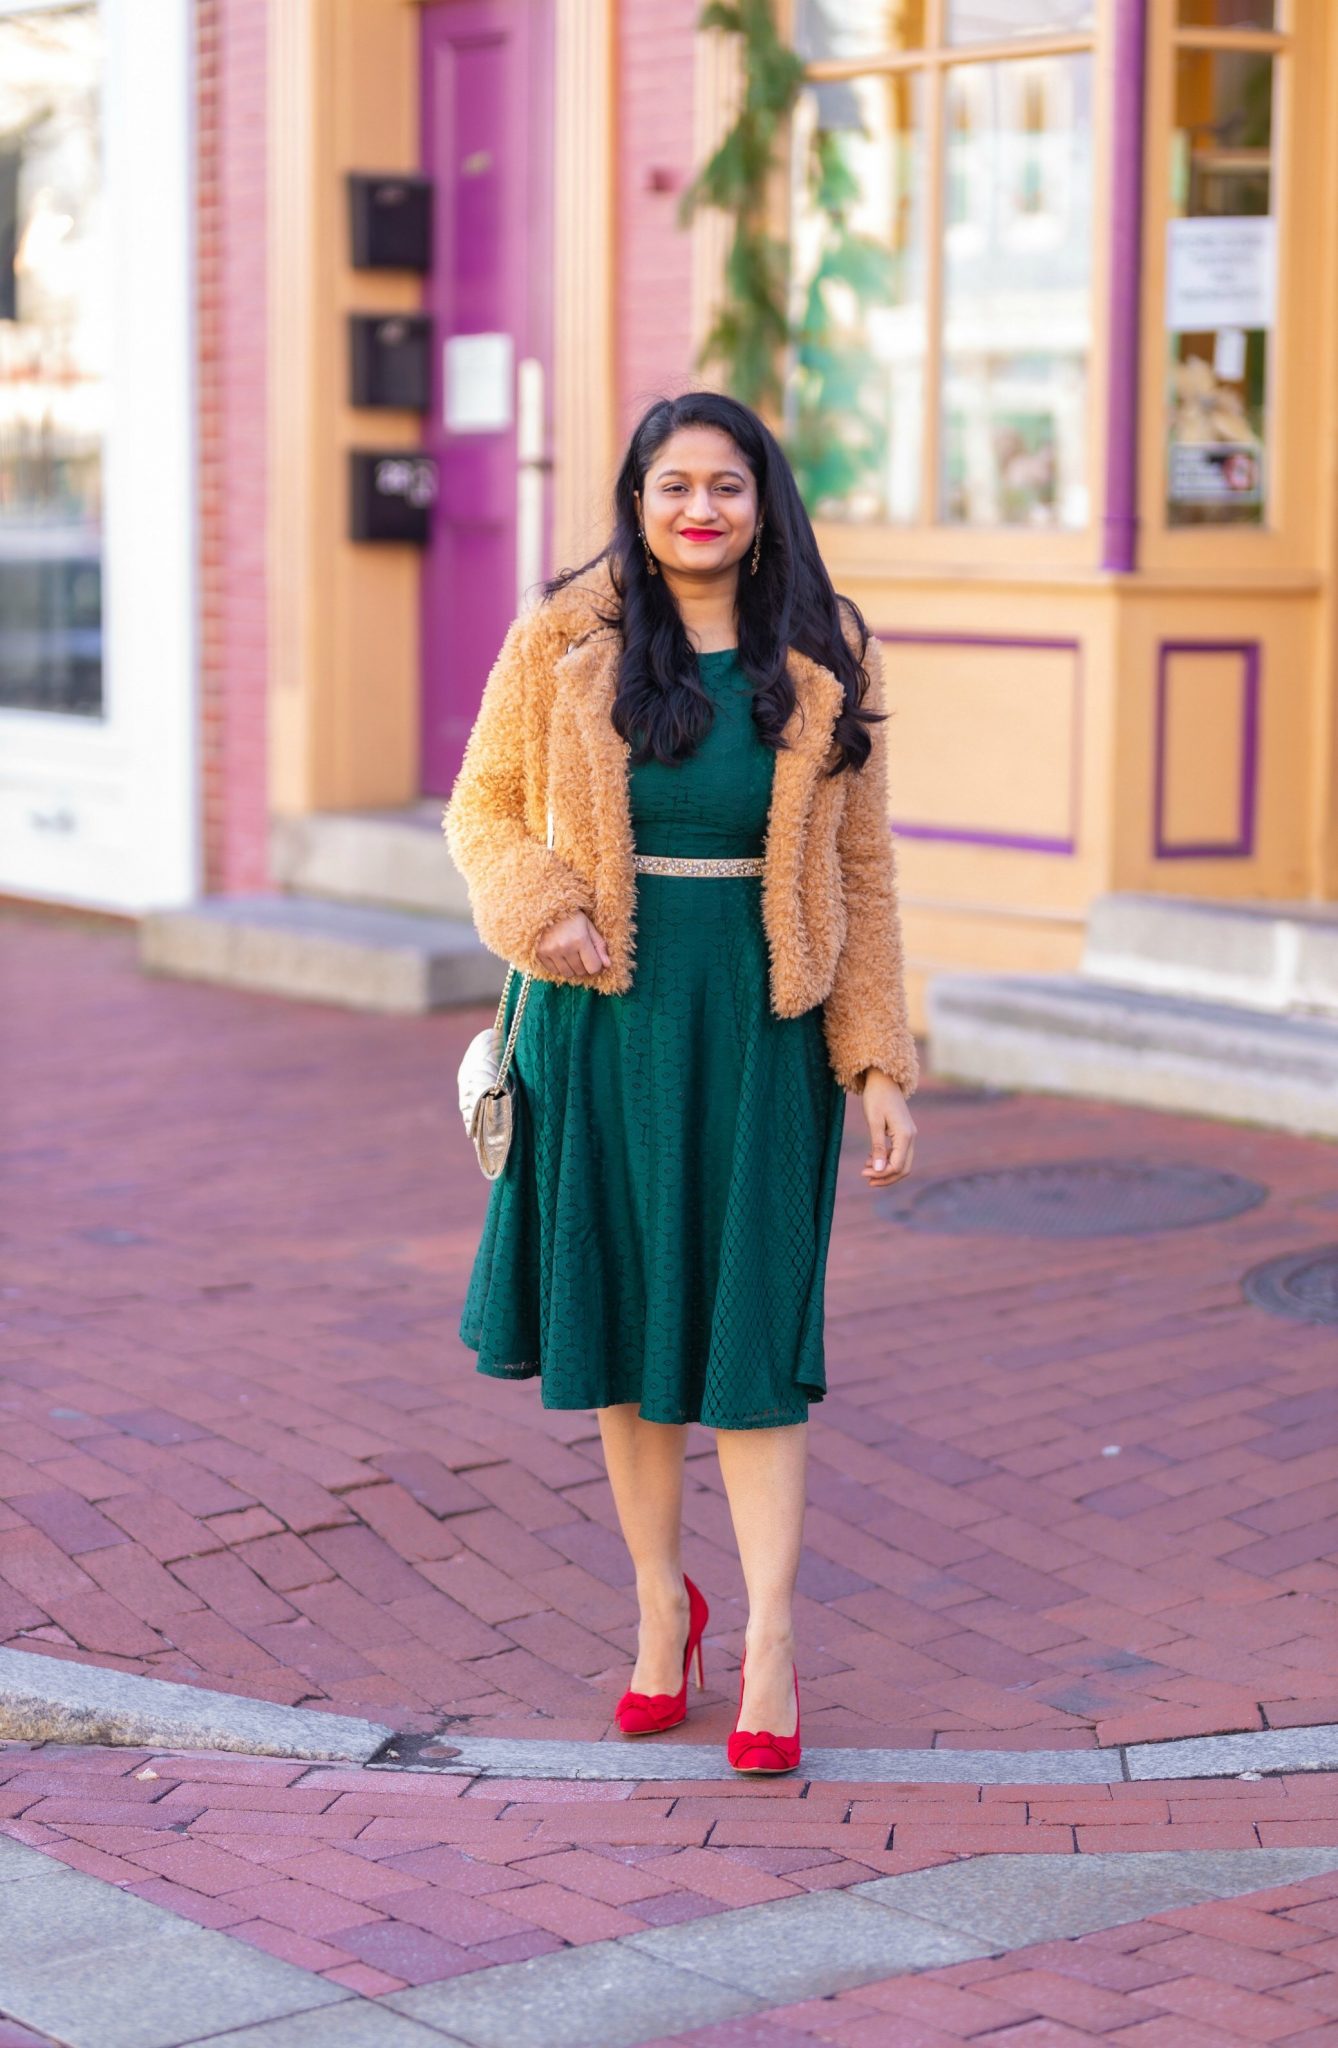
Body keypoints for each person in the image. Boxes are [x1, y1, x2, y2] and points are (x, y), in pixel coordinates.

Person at [444, 391, 918, 1774]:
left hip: (763, 1028)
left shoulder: (822, 653)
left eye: (725, 485)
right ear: (635, 501)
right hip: (597, 1014)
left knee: (751, 1335)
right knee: (627, 1330)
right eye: (671, 487)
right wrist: (540, 904)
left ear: (764, 503)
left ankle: (769, 1638)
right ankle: (663, 1606)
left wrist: (877, 1058)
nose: (698, 509)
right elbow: (480, 808)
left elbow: (862, 871)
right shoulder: (563, 640)